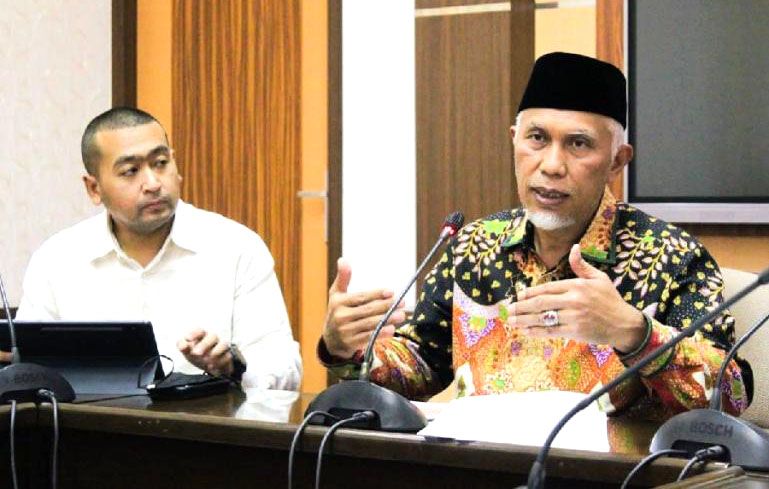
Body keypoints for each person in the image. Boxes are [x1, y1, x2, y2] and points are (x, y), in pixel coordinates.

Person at [319, 52, 751, 419]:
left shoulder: (672, 258)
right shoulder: (472, 247)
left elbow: (728, 400)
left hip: (608, 476)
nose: (551, 165)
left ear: (617, 161)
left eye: (578, 144)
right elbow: (418, 367)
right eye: (537, 139)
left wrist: (635, 333)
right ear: (515, 141)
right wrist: (349, 349)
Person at [15, 107, 302, 390]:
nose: (153, 183)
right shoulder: (57, 260)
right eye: (130, 171)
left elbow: (285, 371)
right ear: (94, 188)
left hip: (209, 420)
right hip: (91, 420)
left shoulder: (236, 247)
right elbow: (31, 374)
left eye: (161, 163)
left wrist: (233, 367)